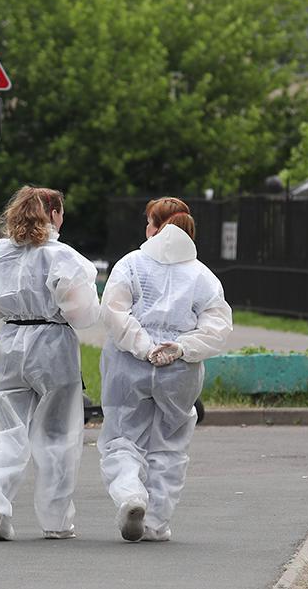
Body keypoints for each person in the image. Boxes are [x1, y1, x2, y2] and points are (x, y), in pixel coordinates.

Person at [98, 197, 232, 542]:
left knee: (122, 437)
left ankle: (130, 494)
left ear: (154, 228)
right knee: (170, 445)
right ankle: (156, 522)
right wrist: (181, 348)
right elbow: (218, 328)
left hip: (128, 365)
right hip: (180, 371)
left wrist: (144, 347)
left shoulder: (131, 264)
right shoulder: (203, 276)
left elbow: (114, 313)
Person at [0, 186, 102, 541]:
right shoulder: (62, 257)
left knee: (5, 428)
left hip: (10, 342)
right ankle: (56, 520)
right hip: (53, 344)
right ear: (55, 214)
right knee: (58, 433)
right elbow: (85, 313)